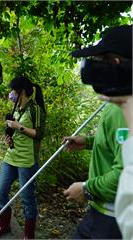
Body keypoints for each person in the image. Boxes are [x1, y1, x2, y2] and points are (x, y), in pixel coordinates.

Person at [63, 25, 131, 239]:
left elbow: (126, 173)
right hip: (103, 213)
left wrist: (86, 188)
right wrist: (90, 142)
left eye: (100, 60)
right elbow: (121, 145)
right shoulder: (118, 101)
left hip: (111, 219)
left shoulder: (124, 108)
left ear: (116, 64)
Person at [0, 76, 46, 239]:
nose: (11, 94)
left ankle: (28, 235)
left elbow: (39, 134)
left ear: (21, 91)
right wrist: (10, 138)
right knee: (0, 192)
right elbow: (16, 132)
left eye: (13, 90)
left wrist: (18, 127)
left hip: (27, 160)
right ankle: (4, 225)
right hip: (11, 156)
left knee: (27, 197)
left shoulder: (34, 109)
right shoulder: (17, 108)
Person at [103, 96, 132, 240]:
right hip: (101, 206)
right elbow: (114, 143)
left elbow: (123, 170)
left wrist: (86, 188)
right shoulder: (112, 107)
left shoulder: (121, 107)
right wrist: (89, 142)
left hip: (110, 210)